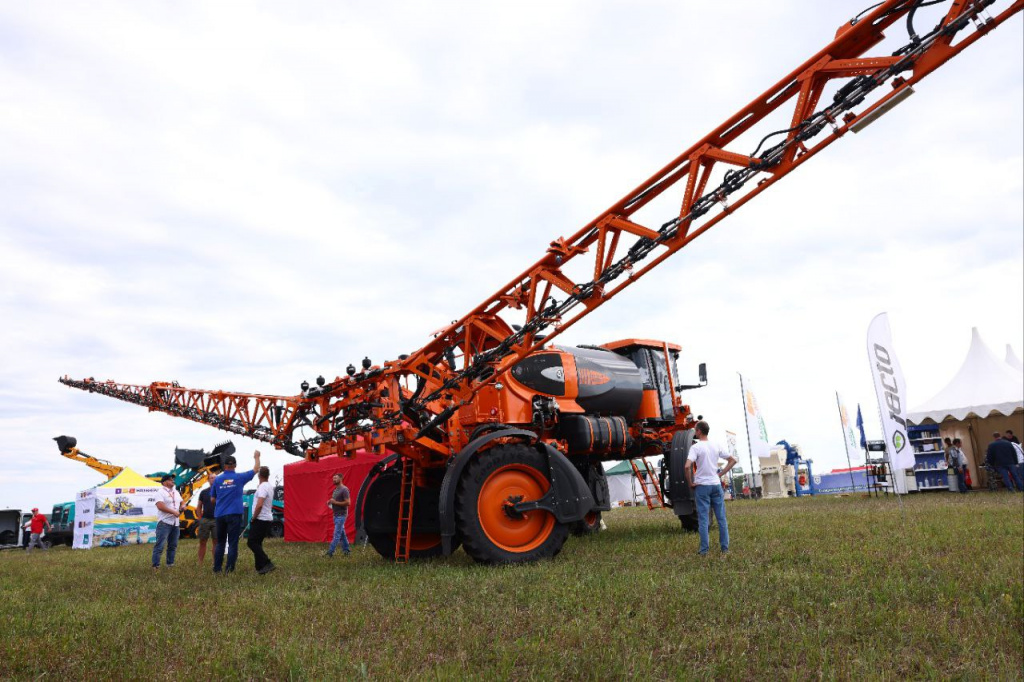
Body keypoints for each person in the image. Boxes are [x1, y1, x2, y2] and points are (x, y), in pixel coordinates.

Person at [685, 421, 737, 556]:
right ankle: (725, 549)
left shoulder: (696, 448)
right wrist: (720, 474)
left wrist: (690, 482)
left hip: (702, 486)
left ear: (699, 432)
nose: (695, 432)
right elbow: (732, 460)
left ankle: (704, 550)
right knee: (721, 518)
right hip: (715, 485)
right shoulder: (716, 445)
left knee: (703, 519)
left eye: (695, 430)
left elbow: (687, 466)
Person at [211, 450, 261, 574]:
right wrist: (256, 457)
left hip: (220, 515)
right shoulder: (239, 477)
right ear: (235, 465)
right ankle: (229, 569)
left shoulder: (217, 480)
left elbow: (212, 499)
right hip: (235, 514)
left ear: (224, 466)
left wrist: (221, 503)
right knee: (233, 543)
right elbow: (256, 469)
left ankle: (217, 569)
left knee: (220, 542)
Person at [247, 466, 276, 575]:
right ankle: (260, 567)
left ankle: (267, 562)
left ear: (259, 476)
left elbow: (259, 505)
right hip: (266, 517)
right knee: (257, 543)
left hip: (261, 518)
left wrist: (254, 517)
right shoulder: (268, 486)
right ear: (268, 475)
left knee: (251, 542)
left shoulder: (263, 487)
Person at [153, 474, 185, 571]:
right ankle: (156, 566)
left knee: (173, 545)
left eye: (173, 480)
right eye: (171, 480)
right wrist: (174, 512)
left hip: (175, 523)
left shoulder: (176, 492)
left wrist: (183, 506)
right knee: (160, 545)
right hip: (164, 523)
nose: (173, 481)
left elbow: (182, 501)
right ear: (165, 482)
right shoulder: (160, 492)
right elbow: (160, 506)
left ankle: (170, 564)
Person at [324, 472, 351, 558]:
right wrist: (330, 501)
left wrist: (335, 502)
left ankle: (330, 553)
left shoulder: (344, 489)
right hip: (336, 515)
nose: (334, 479)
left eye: (335, 478)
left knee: (337, 535)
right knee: (342, 535)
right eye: (333, 478)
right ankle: (347, 551)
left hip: (341, 516)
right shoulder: (335, 490)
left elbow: (348, 502)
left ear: (340, 479)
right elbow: (334, 501)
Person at [195, 480, 217, 564]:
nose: (213, 479)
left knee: (216, 541)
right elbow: (199, 506)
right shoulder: (203, 492)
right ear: (208, 480)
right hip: (205, 519)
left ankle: (215, 562)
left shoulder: (220, 490)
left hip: (217, 520)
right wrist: (200, 519)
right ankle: (200, 562)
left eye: (215, 478)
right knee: (202, 541)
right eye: (211, 478)